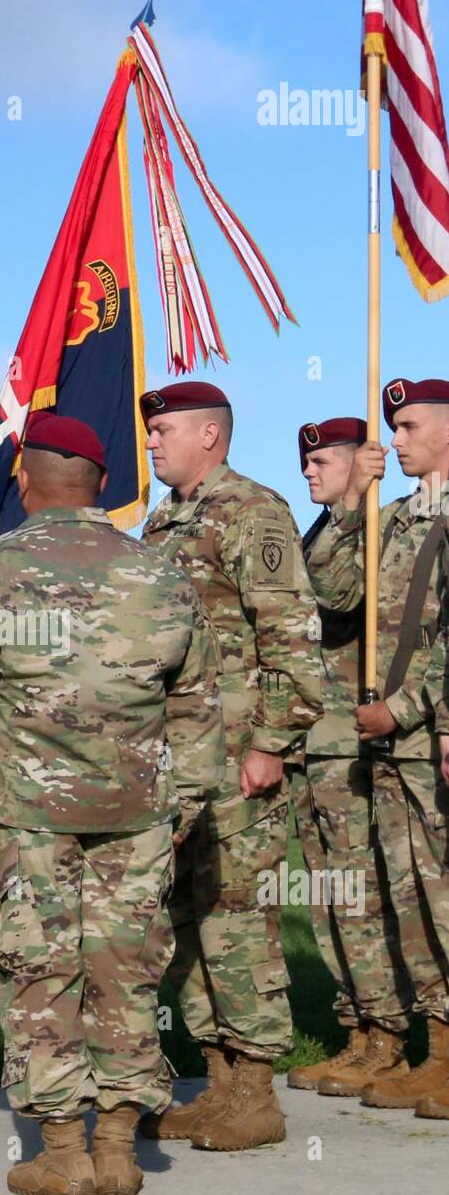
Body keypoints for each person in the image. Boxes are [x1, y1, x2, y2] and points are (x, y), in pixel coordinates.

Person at [0, 411, 224, 1195]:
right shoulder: (160, 572)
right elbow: (198, 706)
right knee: (126, 975)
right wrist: (180, 810)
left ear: (26, 480)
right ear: (100, 485)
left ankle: (63, 1153)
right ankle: (121, 1150)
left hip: (27, 821)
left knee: (40, 978)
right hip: (140, 817)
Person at [138, 381, 323, 1151]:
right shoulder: (162, 523)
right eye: (151, 432)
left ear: (210, 436)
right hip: (176, 767)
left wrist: (268, 746)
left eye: (165, 431)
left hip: (236, 760)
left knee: (239, 923)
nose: (151, 442)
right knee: (189, 924)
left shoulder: (254, 512)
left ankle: (258, 1094)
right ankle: (218, 1084)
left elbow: (293, 640)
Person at [306, 378, 449, 1115]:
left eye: (410, 425)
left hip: (428, 736)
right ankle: (434, 1048)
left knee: (443, 894)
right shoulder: (391, 519)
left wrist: (404, 707)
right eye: (391, 427)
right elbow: (330, 594)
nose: (394, 439)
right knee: (410, 898)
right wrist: (349, 504)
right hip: (393, 748)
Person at [288, 417, 417, 1094]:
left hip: (351, 742)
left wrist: (355, 509)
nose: (309, 472)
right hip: (314, 741)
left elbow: (337, 594)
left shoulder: (380, 525)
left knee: (361, 892)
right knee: (326, 894)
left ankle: (389, 1033)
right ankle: (357, 1027)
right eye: (305, 462)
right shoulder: (325, 528)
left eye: (323, 462)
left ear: (359, 463)